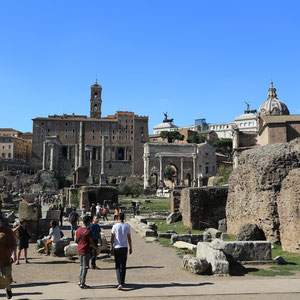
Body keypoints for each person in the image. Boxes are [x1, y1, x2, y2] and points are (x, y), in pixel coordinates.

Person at [110, 212, 132, 290]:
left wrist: (111, 246)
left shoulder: (115, 226)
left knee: (117, 265)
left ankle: (119, 282)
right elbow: (129, 238)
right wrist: (131, 247)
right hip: (124, 247)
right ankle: (122, 281)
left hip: (117, 247)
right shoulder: (127, 226)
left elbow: (112, 237)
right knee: (123, 265)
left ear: (118, 218)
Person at [76, 215, 98, 289]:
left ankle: (80, 281)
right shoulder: (88, 231)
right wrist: (96, 248)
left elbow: (76, 240)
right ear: (88, 222)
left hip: (79, 250)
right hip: (85, 250)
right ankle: (82, 283)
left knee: (81, 266)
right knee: (85, 267)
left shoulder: (78, 230)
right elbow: (91, 242)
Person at [0, 214, 16, 299]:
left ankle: (8, 288)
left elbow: (13, 245)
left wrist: (14, 254)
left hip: (5, 259)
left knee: (6, 278)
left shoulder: (7, 231)